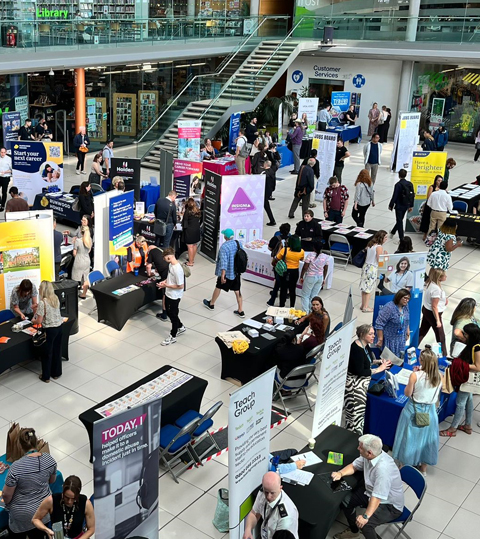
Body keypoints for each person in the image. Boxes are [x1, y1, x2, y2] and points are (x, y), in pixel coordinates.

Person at [332, 434, 403, 539]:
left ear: (369, 453)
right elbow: (354, 466)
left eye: (360, 447)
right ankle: (354, 531)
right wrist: (340, 473)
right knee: (346, 501)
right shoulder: (372, 455)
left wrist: (365, 517)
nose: (358, 448)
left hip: (388, 505)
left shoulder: (383, 470)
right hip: (370, 492)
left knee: (365, 526)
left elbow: (377, 497)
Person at [392, 348, 442, 475]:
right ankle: (423, 468)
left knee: (408, 438)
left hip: (413, 409)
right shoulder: (440, 376)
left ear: (422, 361)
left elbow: (407, 393)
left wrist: (413, 377)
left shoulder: (415, 376)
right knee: (426, 439)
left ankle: (404, 465)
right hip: (430, 411)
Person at [3, 427, 57, 539]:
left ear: (20, 445)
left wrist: (7, 504)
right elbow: (52, 481)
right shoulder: (49, 459)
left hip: (22, 515)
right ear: (35, 441)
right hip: (44, 511)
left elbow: (6, 495)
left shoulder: (16, 467)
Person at [344, 325, 391, 433]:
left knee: (360, 417)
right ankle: (352, 436)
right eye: (370, 334)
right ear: (362, 335)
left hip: (362, 384)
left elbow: (368, 360)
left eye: (373, 333)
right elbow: (360, 371)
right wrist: (379, 369)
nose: (373, 336)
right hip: (355, 388)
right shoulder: (356, 349)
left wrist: (380, 361)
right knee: (355, 417)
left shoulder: (365, 345)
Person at [440, 323, 480, 437]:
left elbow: (478, 367)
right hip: (469, 378)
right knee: (469, 400)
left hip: (468, 378)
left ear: (471, 335)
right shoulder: (472, 344)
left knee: (460, 403)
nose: (463, 335)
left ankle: (453, 429)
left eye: (465, 334)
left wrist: (460, 364)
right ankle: (467, 425)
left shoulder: (476, 347)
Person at [243, 472, 299, 539]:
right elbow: (254, 513)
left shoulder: (286, 517)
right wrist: (248, 530)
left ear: (280, 488)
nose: (268, 497)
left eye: (272, 493)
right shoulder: (263, 492)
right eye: (266, 492)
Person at [203, 228, 245, 318]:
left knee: (218, 287)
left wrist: (222, 275)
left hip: (227, 273)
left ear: (225, 237)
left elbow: (224, 262)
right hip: (236, 272)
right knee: (237, 291)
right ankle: (240, 310)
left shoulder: (224, 247)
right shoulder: (238, 243)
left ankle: (211, 304)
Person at [34, 280, 64, 382]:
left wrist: (32, 320)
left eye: (40, 288)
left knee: (47, 353)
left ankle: (46, 376)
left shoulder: (43, 303)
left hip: (49, 330)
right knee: (57, 351)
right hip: (59, 327)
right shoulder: (55, 298)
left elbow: (39, 320)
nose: (38, 289)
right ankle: (56, 373)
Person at [157, 247, 186, 346]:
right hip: (169, 293)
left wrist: (166, 285)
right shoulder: (171, 265)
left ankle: (173, 335)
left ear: (169, 257)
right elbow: (170, 278)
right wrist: (164, 282)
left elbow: (180, 285)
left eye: (165, 258)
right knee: (169, 312)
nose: (164, 260)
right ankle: (180, 326)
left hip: (175, 296)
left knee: (173, 315)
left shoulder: (178, 270)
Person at [418, 268, 448, 357]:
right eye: (444, 276)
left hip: (426, 310)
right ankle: (443, 355)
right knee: (440, 336)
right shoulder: (436, 289)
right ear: (439, 278)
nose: (446, 277)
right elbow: (434, 306)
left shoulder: (431, 283)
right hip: (433, 314)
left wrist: (444, 299)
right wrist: (438, 320)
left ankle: (413, 345)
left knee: (422, 330)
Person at [375, 289, 411, 358]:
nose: (406, 300)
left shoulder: (406, 306)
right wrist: (380, 339)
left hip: (400, 340)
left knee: (399, 360)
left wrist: (407, 331)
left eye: (408, 299)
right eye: (405, 298)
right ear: (399, 297)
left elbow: (406, 319)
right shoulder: (389, 308)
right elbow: (379, 324)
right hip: (389, 340)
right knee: (388, 361)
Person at [360, 230, 388, 312]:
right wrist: (386, 256)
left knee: (364, 286)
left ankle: (362, 305)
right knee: (369, 288)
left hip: (366, 266)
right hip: (372, 268)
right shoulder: (379, 247)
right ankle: (366, 306)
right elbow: (380, 260)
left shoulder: (370, 244)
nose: (386, 239)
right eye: (385, 237)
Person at [275, 235, 304, 309]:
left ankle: (282, 305)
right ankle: (292, 306)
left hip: (285, 271)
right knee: (292, 289)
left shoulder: (284, 250)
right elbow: (301, 259)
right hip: (295, 271)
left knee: (283, 289)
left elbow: (277, 258)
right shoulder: (301, 251)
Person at [300, 241, 328, 314]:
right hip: (320, 277)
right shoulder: (325, 257)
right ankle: (312, 311)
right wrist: (324, 279)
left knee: (305, 295)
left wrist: (301, 276)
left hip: (310, 277)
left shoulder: (310, 255)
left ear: (313, 247)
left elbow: (305, 267)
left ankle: (305, 313)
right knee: (314, 295)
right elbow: (325, 268)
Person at [267, 223, 291, 307]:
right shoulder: (291, 239)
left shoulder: (275, 238)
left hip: (277, 262)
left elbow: (270, 248)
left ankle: (275, 293)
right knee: (286, 278)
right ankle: (286, 293)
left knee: (277, 278)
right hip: (288, 262)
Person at [388, 168, 415, 241]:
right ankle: (393, 232)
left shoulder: (398, 185)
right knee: (400, 219)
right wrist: (411, 205)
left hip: (399, 205)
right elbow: (412, 195)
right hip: (406, 205)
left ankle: (401, 238)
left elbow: (395, 195)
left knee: (399, 221)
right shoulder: (410, 184)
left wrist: (391, 205)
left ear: (399, 175)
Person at [72, 226, 92, 299]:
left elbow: (74, 253)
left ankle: (75, 294)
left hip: (79, 260)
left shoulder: (78, 241)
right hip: (87, 260)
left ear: (81, 232)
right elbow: (89, 251)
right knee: (86, 278)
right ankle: (84, 294)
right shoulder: (90, 240)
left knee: (75, 277)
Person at [182, 197, 201, 266]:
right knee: (194, 244)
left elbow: (185, 223)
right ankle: (192, 259)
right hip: (196, 229)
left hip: (189, 231)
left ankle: (190, 262)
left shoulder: (187, 212)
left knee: (190, 246)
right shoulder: (197, 210)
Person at [263, 160, 277, 226]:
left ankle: (272, 220)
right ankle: (272, 220)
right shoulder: (272, 171)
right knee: (266, 206)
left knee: (267, 206)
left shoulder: (264, 173)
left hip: (264, 192)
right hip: (269, 191)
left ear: (265, 165)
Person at [0, 146, 12, 212]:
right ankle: (0, 201)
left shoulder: (8, 159)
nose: (3, 154)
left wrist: (5, 172)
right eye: (1, 152)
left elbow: (11, 169)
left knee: (4, 192)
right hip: (0, 176)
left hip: (5, 177)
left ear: (6, 152)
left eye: (4, 152)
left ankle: (2, 205)